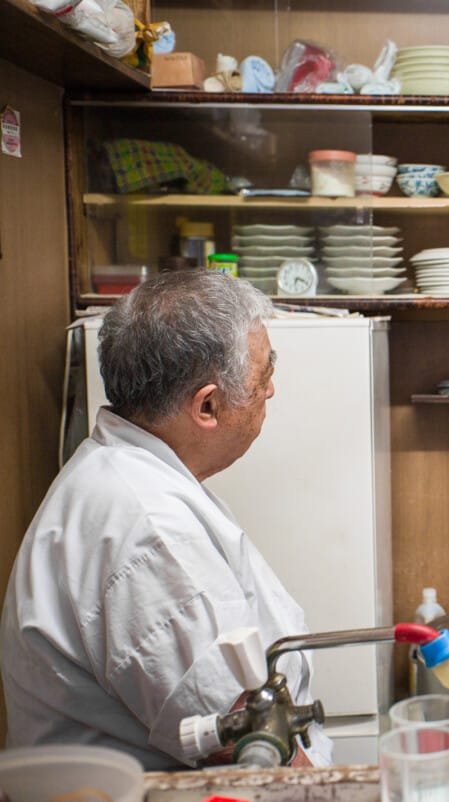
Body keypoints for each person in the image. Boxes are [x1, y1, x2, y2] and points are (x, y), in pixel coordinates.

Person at [0, 270, 332, 769]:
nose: (270, 391)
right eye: (263, 377)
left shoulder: (127, 473)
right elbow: (253, 750)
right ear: (208, 405)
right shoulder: (149, 530)